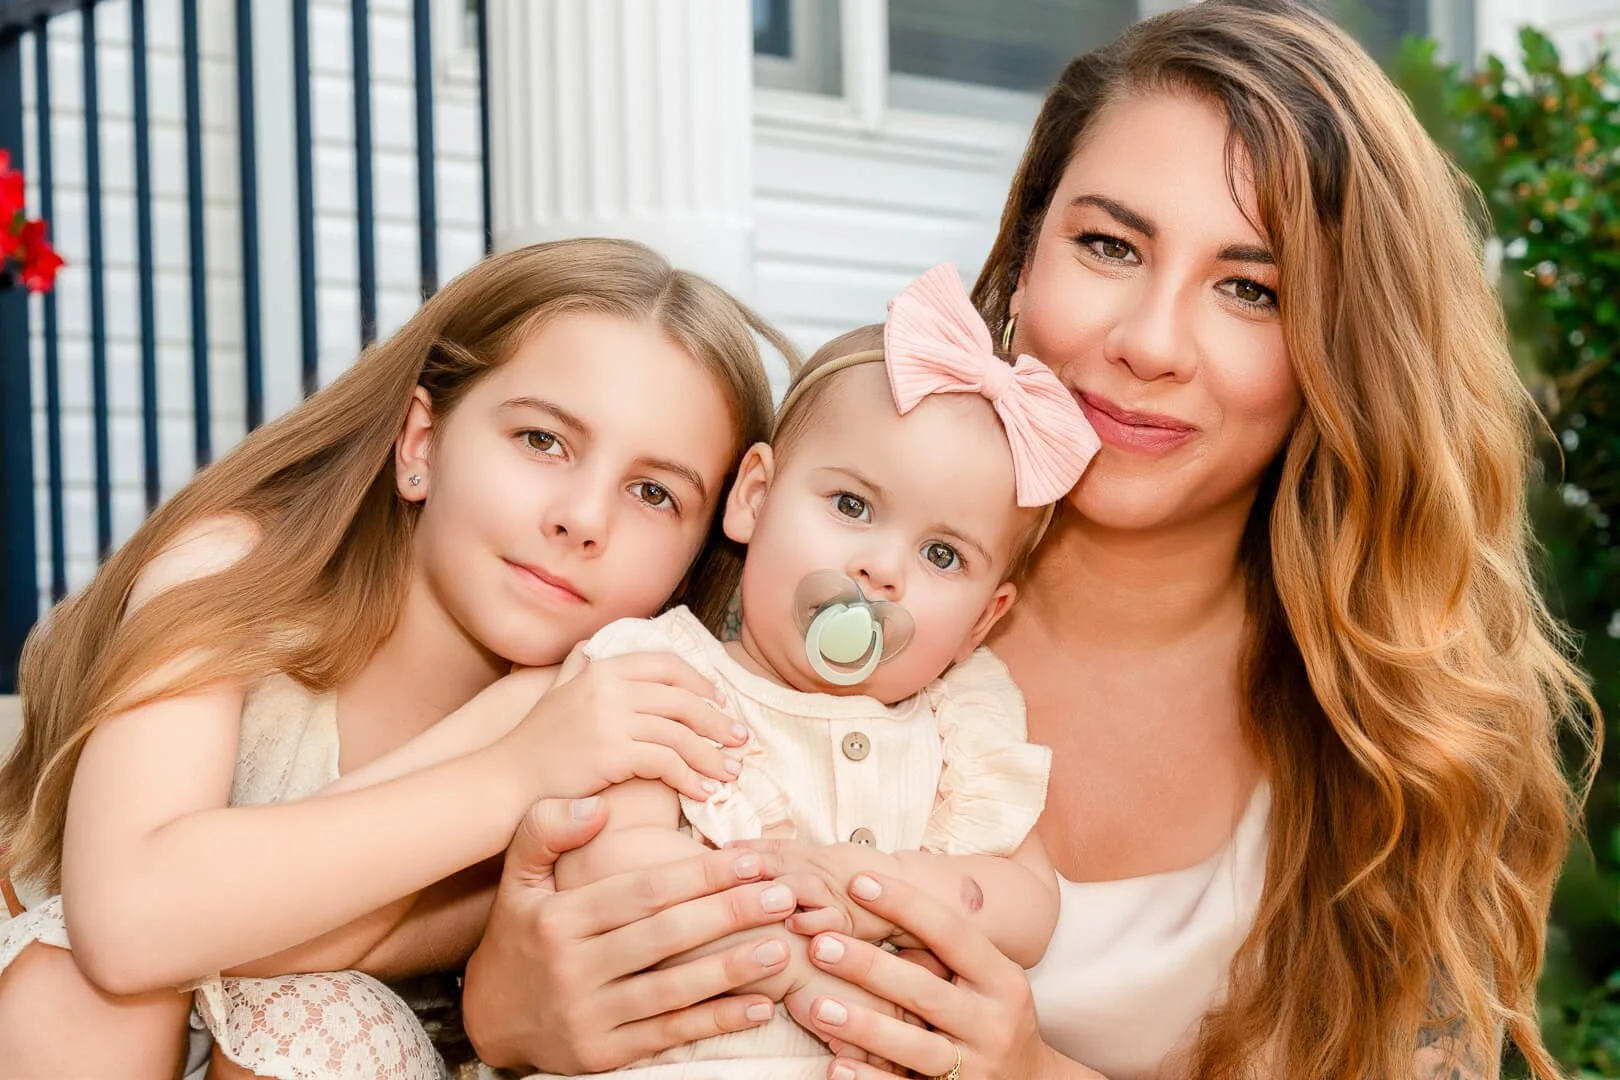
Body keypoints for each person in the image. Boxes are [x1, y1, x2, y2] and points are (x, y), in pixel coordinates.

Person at [456, 3, 1600, 1079]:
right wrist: (503, 1000)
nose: (1150, 341)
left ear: (1348, 355)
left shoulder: (1403, 734)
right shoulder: (752, 560)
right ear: (1025, 251)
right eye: (1109, 246)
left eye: (1251, 289)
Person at [0, 237, 792, 1080]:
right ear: (421, 443)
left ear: (703, 551)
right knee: (79, 977)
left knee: (326, 1021)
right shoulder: (235, 573)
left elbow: (312, 953)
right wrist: (514, 769)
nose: (583, 517)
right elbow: (126, 924)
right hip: (60, 1030)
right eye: (542, 440)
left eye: (653, 493)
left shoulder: (625, 738)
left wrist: (528, 725)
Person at [536, 263, 1098, 1078]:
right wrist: (804, 944)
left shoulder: (960, 729)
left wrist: (887, 885)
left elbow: (1030, 905)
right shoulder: (664, 680)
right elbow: (611, 870)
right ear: (755, 498)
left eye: (941, 555)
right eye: (852, 506)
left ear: (983, 620)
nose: (880, 570)